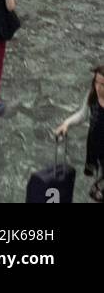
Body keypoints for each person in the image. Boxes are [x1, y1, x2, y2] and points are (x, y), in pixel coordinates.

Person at [53, 63, 104, 202]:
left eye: (103, 84)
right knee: (97, 180)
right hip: (95, 146)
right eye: (96, 82)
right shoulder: (92, 95)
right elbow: (83, 115)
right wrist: (66, 123)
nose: (98, 87)